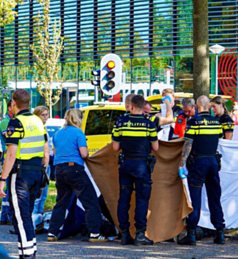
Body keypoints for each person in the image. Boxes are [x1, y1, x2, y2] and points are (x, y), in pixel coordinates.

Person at [0, 89, 49, 259]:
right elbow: (46, 150)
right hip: (36, 172)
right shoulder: (37, 121)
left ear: (13, 103)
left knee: (20, 217)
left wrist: (2, 179)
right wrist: (43, 171)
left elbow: (11, 154)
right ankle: (27, 253)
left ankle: (28, 258)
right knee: (25, 215)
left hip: (20, 175)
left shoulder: (15, 122)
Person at [47, 109, 113, 242]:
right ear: (78, 119)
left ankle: (52, 233)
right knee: (90, 201)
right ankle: (95, 233)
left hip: (59, 170)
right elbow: (84, 153)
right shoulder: (78, 133)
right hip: (75, 170)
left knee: (61, 202)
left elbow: (55, 152)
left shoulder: (58, 134)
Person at [111, 93, 159, 245]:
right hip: (142, 166)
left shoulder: (121, 122)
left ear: (131, 106)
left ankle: (124, 234)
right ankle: (140, 235)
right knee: (142, 200)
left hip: (125, 164)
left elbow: (115, 147)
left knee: (124, 200)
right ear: (142, 106)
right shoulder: (149, 123)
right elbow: (156, 147)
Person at [179, 96, 226, 245]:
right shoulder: (216, 122)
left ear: (197, 106)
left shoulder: (194, 122)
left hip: (198, 162)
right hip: (212, 161)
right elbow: (220, 138)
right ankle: (220, 232)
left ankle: (191, 233)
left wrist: (181, 164)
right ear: (209, 106)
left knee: (195, 199)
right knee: (214, 197)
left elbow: (188, 143)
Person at [31, 106, 51, 231]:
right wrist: (44, 168)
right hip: (40, 164)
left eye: (47, 114)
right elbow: (45, 151)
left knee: (43, 195)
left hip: (45, 164)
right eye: (43, 114)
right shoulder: (37, 129)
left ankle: (38, 220)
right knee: (37, 195)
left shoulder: (44, 128)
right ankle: (34, 220)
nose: (46, 117)